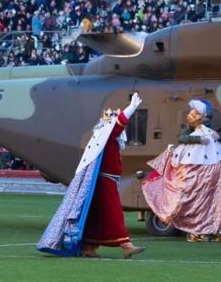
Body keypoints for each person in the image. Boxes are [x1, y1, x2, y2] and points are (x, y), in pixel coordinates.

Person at [37, 93, 145, 259]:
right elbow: (118, 125)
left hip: (107, 180)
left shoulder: (107, 137)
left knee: (96, 214)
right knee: (113, 212)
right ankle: (126, 245)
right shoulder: (106, 134)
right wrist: (129, 110)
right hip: (106, 179)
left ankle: (89, 246)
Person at [142, 99, 221, 242]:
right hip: (200, 167)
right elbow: (182, 138)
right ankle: (206, 230)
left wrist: (218, 136)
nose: (190, 116)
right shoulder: (194, 133)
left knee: (206, 199)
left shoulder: (211, 133)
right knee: (200, 198)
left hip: (206, 169)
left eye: (194, 114)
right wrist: (198, 140)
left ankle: (206, 230)